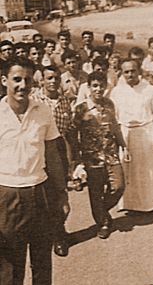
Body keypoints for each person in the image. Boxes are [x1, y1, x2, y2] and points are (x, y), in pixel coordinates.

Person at [0, 57, 69, 284]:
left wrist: (61, 194)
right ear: (4, 81)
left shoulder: (43, 111)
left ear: (34, 83)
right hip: (7, 196)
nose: (22, 85)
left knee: (41, 260)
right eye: (16, 79)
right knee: (10, 265)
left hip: (40, 193)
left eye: (27, 80)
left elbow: (52, 155)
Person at [73, 71, 126, 239]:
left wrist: (124, 146)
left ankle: (101, 209)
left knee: (119, 186)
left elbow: (115, 126)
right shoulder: (81, 108)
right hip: (92, 157)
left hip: (111, 154)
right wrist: (77, 160)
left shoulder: (110, 104)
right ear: (88, 87)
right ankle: (102, 223)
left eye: (102, 85)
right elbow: (73, 134)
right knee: (95, 191)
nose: (98, 89)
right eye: (95, 85)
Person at [111, 59, 153, 212]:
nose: (130, 74)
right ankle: (128, 204)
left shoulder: (150, 90)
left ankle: (149, 203)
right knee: (127, 168)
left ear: (139, 71)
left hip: (145, 134)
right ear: (122, 73)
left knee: (146, 170)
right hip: (125, 134)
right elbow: (113, 116)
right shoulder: (117, 91)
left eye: (133, 71)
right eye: (126, 72)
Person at [31, 65, 72, 256]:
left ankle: (59, 232)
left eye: (56, 78)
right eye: (49, 78)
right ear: (42, 81)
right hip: (42, 150)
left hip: (60, 150)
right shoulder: (35, 100)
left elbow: (69, 133)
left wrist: (73, 160)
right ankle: (50, 235)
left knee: (61, 196)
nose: (53, 81)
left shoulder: (64, 101)